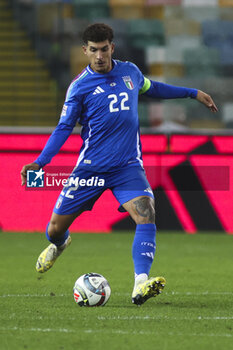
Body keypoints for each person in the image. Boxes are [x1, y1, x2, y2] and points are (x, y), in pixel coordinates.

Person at [21, 23, 218, 306]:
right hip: (90, 169)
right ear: (85, 51)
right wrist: (41, 162)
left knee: (146, 212)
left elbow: (154, 88)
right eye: (93, 50)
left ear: (112, 47)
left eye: (103, 49)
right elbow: (64, 128)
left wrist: (192, 93)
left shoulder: (130, 72)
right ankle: (61, 243)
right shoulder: (78, 88)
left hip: (127, 166)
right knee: (53, 229)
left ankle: (140, 283)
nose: (99, 55)